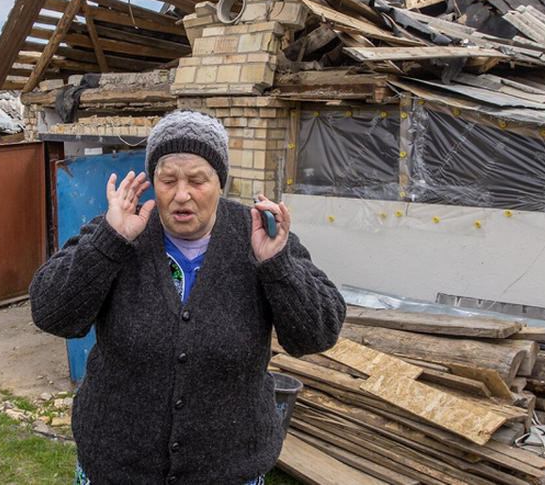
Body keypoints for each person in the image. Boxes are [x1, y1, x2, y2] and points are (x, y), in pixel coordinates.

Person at [30, 109, 346, 485]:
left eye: (197, 180)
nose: (182, 194)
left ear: (220, 182)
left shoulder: (258, 235)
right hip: (117, 468)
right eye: (168, 180)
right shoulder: (118, 231)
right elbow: (50, 312)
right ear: (153, 182)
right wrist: (108, 243)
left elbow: (318, 334)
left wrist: (277, 267)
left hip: (228, 469)